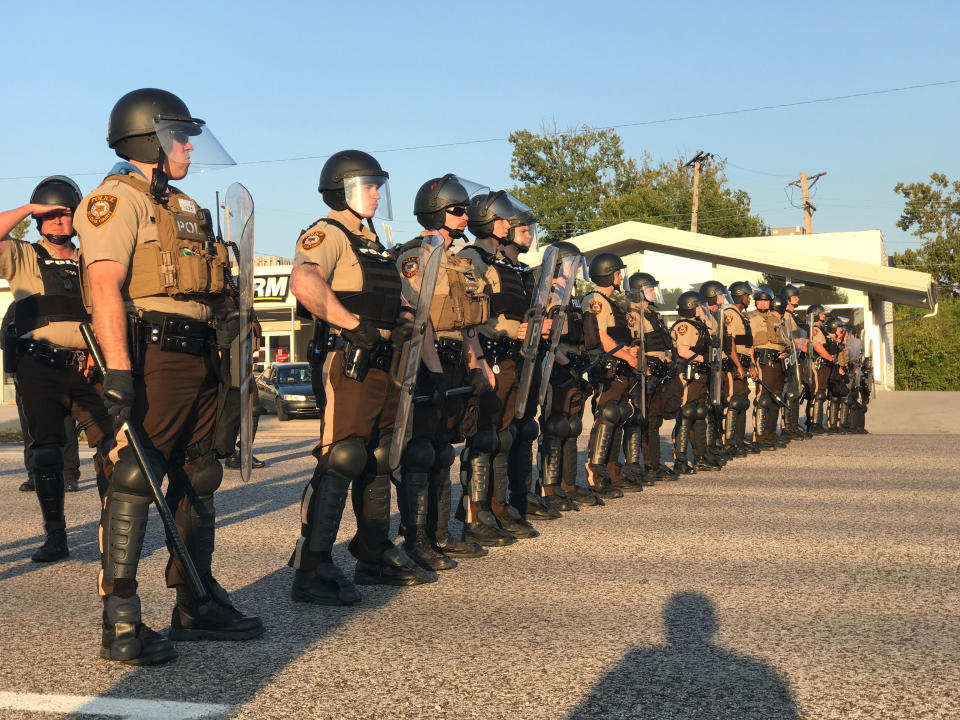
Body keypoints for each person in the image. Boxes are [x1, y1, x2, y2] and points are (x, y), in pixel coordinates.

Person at [76, 88, 263, 665]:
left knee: (200, 474)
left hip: (203, 354)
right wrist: (120, 372)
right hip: (152, 351)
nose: (187, 146)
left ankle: (196, 601)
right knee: (136, 476)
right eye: (178, 136)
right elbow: (105, 286)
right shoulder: (115, 199)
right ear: (148, 140)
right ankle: (122, 619)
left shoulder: (183, 206)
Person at [288, 149, 435, 606]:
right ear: (343, 188)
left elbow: (390, 299)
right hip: (349, 357)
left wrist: (405, 318)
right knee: (343, 456)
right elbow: (305, 283)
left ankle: (372, 551)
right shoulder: (326, 233)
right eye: (367, 185)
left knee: (379, 456)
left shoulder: (372, 241)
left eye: (377, 185)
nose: (375, 193)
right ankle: (311, 568)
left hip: (385, 359)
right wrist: (353, 326)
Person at [0, 175, 115, 563]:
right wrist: (30, 208)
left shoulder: (91, 259)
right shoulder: (23, 255)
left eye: (66, 215)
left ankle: (113, 528)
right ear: (39, 221)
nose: (59, 223)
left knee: (112, 447)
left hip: (89, 365)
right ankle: (56, 536)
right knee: (47, 452)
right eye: (50, 216)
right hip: (40, 365)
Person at [394, 174, 494, 569]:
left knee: (442, 452)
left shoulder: (457, 261)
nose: (464, 215)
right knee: (418, 452)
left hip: (454, 361)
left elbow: (467, 322)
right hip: (424, 362)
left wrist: (479, 361)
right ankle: (416, 539)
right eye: (456, 209)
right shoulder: (416, 258)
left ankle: (440, 536)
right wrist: (433, 370)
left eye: (465, 208)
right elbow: (419, 319)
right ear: (436, 211)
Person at [457, 191, 541, 545]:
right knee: (486, 435)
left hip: (514, 357)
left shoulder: (507, 265)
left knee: (505, 436)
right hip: (488, 354)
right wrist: (509, 331)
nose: (513, 226)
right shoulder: (472, 259)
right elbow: (469, 315)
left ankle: (498, 506)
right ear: (491, 223)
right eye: (506, 220)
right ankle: (474, 515)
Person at [537, 241, 597, 509]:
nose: (576, 269)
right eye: (572, 263)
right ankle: (548, 488)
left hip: (574, 363)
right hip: (555, 364)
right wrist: (564, 363)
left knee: (572, 427)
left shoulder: (571, 295)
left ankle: (568, 485)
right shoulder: (549, 293)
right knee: (555, 426)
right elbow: (545, 334)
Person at [582, 253, 644, 494]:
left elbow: (617, 337)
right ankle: (595, 473)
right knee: (606, 415)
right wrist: (627, 356)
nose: (621, 276)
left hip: (620, 368)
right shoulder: (594, 299)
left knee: (618, 416)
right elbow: (601, 337)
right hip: (606, 370)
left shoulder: (612, 303)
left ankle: (613, 473)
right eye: (618, 272)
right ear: (608, 274)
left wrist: (630, 350)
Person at [626, 272, 682, 481]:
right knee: (643, 420)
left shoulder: (650, 314)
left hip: (658, 372)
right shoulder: (633, 316)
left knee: (655, 419)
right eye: (650, 289)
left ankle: (654, 465)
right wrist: (645, 371)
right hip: (643, 373)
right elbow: (634, 346)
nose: (654, 293)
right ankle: (640, 467)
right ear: (639, 292)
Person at [670, 291, 720, 474]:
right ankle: (680, 459)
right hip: (688, 375)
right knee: (687, 413)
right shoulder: (685, 326)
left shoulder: (698, 325)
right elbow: (683, 351)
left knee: (700, 412)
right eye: (699, 306)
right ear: (691, 307)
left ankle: (700, 456)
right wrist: (703, 358)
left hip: (701, 375)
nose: (703, 309)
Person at [748, 286, 787, 450]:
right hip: (763, 360)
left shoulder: (776, 318)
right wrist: (751, 363)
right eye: (759, 300)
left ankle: (770, 434)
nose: (762, 303)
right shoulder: (751, 318)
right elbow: (748, 343)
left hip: (778, 362)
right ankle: (759, 437)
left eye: (765, 300)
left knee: (775, 399)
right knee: (763, 399)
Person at [722, 282, 758, 455]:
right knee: (734, 402)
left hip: (744, 363)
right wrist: (738, 365)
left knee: (743, 401)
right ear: (739, 295)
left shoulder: (743, 316)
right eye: (747, 295)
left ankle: (738, 438)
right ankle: (729, 440)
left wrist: (751, 363)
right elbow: (731, 342)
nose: (749, 298)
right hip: (734, 365)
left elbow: (747, 343)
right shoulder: (730, 314)